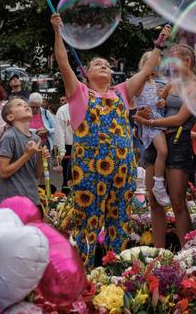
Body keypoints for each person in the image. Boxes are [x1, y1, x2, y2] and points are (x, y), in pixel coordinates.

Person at [52, 13, 168, 265]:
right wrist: (58, 33)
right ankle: (83, 273)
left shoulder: (121, 93)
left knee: (120, 222)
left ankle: (115, 272)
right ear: (86, 74)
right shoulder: (80, 93)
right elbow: (63, 64)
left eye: (107, 64)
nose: (104, 66)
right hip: (89, 170)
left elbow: (148, 68)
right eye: (97, 64)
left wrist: (159, 44)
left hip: (122, 169)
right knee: (88, 222)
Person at [137, 44, 196, 248]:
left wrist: (150, 123)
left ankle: (187, 251)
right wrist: (147, 112)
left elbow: (179, 119)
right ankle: (159, 251)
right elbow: (158, 105)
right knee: (154, 200)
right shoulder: (171, 83)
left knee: (177, 199)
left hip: (178, 141)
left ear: (187, 61)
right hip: (156, 142)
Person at [0, 97, 50, 208]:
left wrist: (41, 158)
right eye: (19, 105)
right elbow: (3, 172)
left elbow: (37, 174)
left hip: (32, 199)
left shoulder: (36, 139)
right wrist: (27, 155)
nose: (26, 105)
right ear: (10, 117)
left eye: (26, 104)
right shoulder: (9, 137)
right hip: (13, 201)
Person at [134, 52, 170, 207]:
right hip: (149, 121)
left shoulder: (155, 83)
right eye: (152, 63)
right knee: (163, 151)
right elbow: (136, 93)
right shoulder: (139, 81)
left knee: (161, 152)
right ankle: (158, 184)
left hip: (157, 118)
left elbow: (159, 100)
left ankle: (159, 182)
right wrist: (144, 74)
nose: (155, 67)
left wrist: (162, 101)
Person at [53, 95, 73, 192]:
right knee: (67, 178)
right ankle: (65, 204)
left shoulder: (89, 107)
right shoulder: (63, 110)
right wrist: (61, 152)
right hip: (68, 147)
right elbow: (59, 132)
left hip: (86, 146)